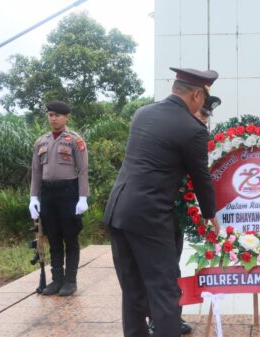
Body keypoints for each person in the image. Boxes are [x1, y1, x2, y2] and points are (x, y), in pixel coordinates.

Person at [104, 67, 220, 337]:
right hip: (150, 217)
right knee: (164, 291)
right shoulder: (193, 129)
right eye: (203, 97)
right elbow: (200, 176)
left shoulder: (143, 113)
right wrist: (210, 212)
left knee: (132, 289)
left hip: (119, 211)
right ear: (196, 95)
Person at [147, 95, 222, 337]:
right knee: (159, 267)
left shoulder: (203, 139)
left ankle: (172, 316)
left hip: (176, 210)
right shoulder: (180, 134)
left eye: (206, 117)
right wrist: (209, 212)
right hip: (159, 207)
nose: (203, 120)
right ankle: (156, 321)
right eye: (200, 114)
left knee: (172, 264)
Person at [28, 100, 89, 297]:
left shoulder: (74, 140)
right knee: (53, 238)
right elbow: (36, 172)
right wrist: (33, 197)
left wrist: (82, 197)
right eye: (51, 115)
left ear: (67, 117)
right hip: (48, 194)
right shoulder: (41, 141)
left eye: (57, 115)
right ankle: (56, 280)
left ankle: (70, 281)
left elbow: (83, 171)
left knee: (70, 238)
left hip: (68, 193)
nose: (53, 119)